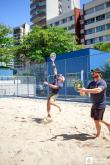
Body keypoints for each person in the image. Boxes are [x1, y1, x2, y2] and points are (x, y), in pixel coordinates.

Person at [79, 68, 110, 138]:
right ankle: (108, 124)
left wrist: (85, 90)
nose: (93, 73)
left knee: (96, 120)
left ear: (99, 73)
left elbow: (98, 90)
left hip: (100, 104)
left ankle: (98, 135)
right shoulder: (91, 83)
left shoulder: (102, 82)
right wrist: (81, 91)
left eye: (95, 72)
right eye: (92, 72)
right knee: (94, 118)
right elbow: (85, 93)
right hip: (94, 104)